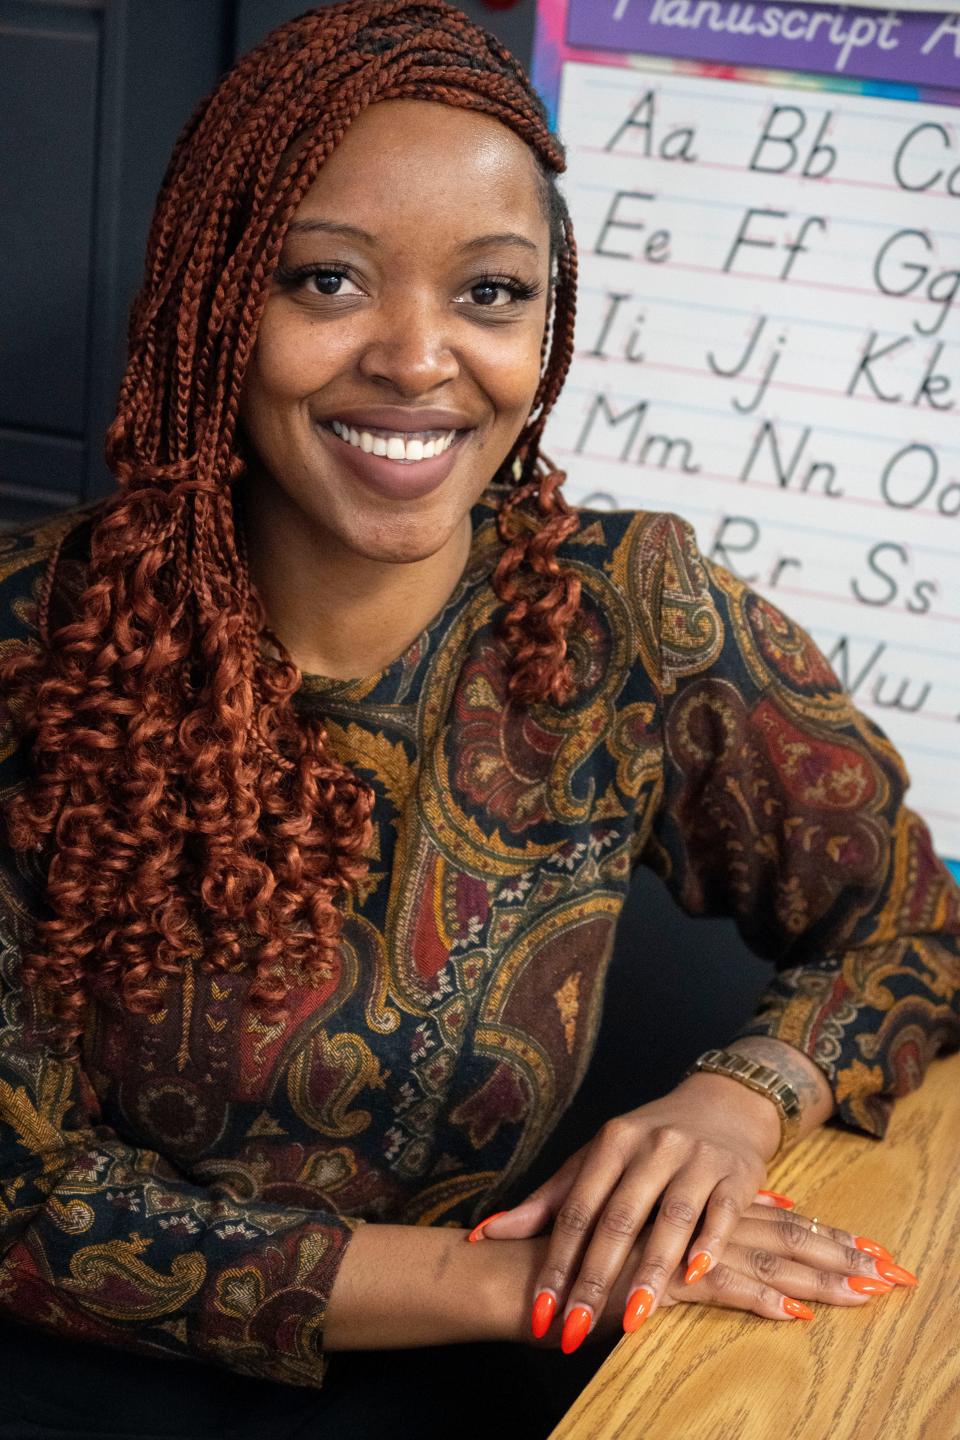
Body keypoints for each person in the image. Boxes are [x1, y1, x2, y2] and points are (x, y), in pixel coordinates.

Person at [0, 2, 957, 1436]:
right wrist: (522, 1283)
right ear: (211, 307)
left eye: (491, 295)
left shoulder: (627, 614)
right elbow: (23, 1210)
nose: (417, 356)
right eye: (327, 282)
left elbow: (911, 921)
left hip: (493, 1400)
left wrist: (741, 1099)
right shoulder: (30, 644)